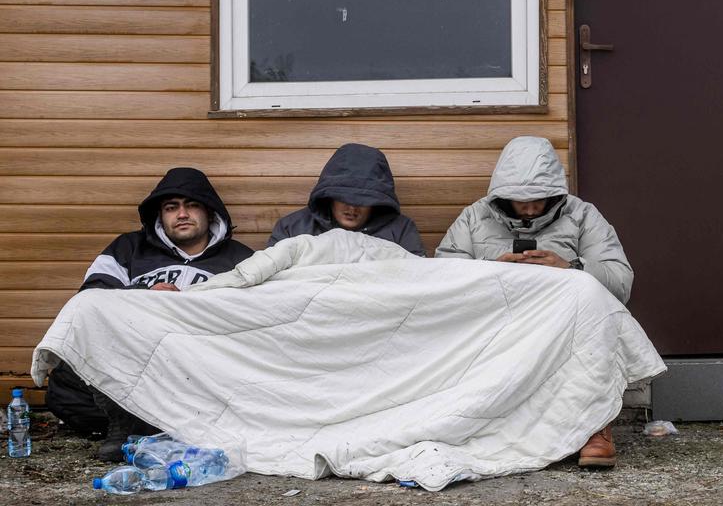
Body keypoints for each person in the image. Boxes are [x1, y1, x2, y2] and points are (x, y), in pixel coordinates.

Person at [436, 136, 632, 467]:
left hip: (563, 324)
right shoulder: (473, 218)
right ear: (502, 195)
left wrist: (571, 268)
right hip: (496, 323)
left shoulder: (582, 215)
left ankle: (596, 427)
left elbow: (620, 280)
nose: (529, 209)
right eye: (519, 200)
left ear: (555, 192)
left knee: (596, 308)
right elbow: (442, 281)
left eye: (538, 200)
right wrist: (489, 272)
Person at [47, 167, 254, 460]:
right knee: (65, 382)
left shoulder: (241, 259)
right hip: (129, 352)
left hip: (195, 363)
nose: (182, 214)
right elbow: (91, 297)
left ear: (210, 212)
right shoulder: (128, 248)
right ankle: (148, 423)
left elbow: (256, 317)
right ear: (160, 216)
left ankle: (135, 428)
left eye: (192, 205)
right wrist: (145, 298)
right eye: (172, 208)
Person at [268, 143, 425, 255]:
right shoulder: (292, 227)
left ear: (376, 203)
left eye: (362, 202)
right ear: (330, 198)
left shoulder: (401, 229)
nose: (352, 209)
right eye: (345, 199)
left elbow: (416, 278)